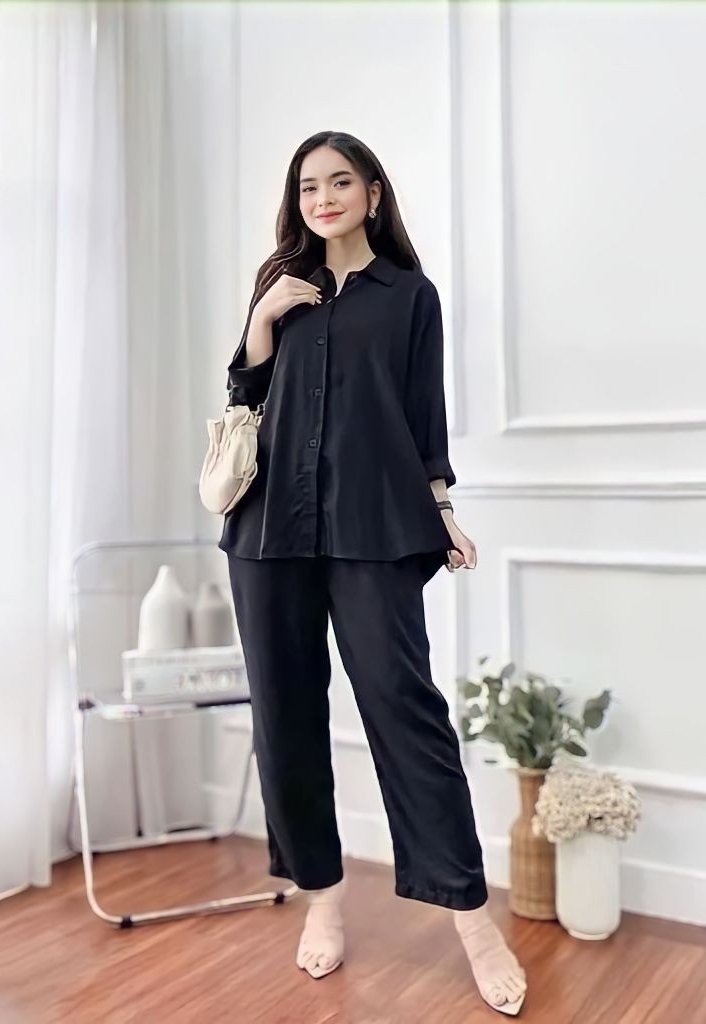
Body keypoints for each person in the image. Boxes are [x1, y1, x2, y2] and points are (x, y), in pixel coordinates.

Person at [218, 131, 527, 1016]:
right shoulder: (280, 284)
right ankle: (322, 898)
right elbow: (243, 402)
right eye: (308, 186)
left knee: (404, 708)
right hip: (269, 529)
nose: (322, 198)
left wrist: (442, 508)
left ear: (373, 194)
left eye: (339, 182)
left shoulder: (409, 295)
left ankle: (472, 920)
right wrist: (262, 323)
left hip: (375, 525)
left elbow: (423, 416)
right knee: (285, 716)